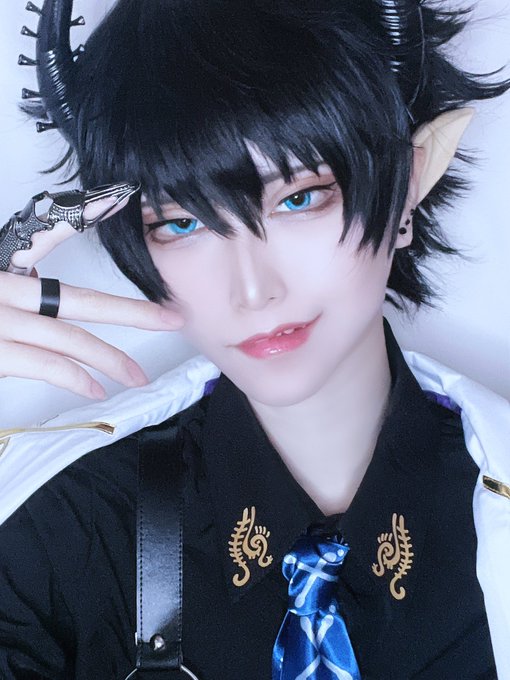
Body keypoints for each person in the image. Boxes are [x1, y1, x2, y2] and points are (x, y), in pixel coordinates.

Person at [0, 0, 509, 678]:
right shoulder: (61, 531)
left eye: (298, 198)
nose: (251, 289)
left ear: (405, 190)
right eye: (181, 223)